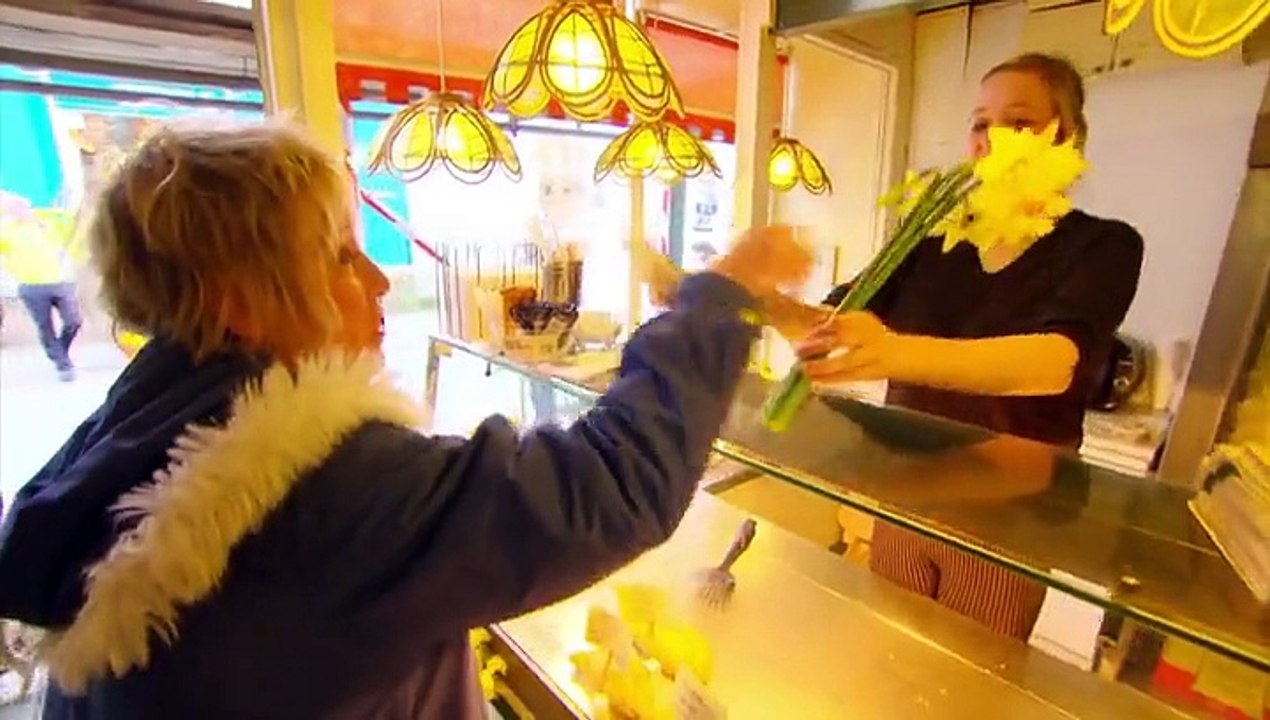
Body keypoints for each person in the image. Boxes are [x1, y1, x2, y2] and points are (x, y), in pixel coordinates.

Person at [0, 120, 812, 719]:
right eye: (340, 256)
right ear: (238, 302)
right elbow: (612, 485)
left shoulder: (135, 427)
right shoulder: (320, 489)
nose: (378, 286)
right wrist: (723, 292)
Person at [766, 53, 1145, 640]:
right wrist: (749, 297)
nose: (991, 139)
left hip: (1008, 519)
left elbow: (1053, 363)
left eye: (1017, 123)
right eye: (979, 123)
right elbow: (839, 320)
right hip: (908, 495)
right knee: (891, 658)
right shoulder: (934, 241)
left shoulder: (1103, 245)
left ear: (1065, 138)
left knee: (963, 689)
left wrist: (895, 353)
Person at [0, 194, 84, 381]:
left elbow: (71, 227)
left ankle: (59, 352)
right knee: (45, 326)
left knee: (73, 321)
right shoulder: (7, 232)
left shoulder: (46, 226)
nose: (22, 211)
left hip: (59, 281)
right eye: (17, 208)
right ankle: (63, 364)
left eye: (24, 207)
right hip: (31, 285)